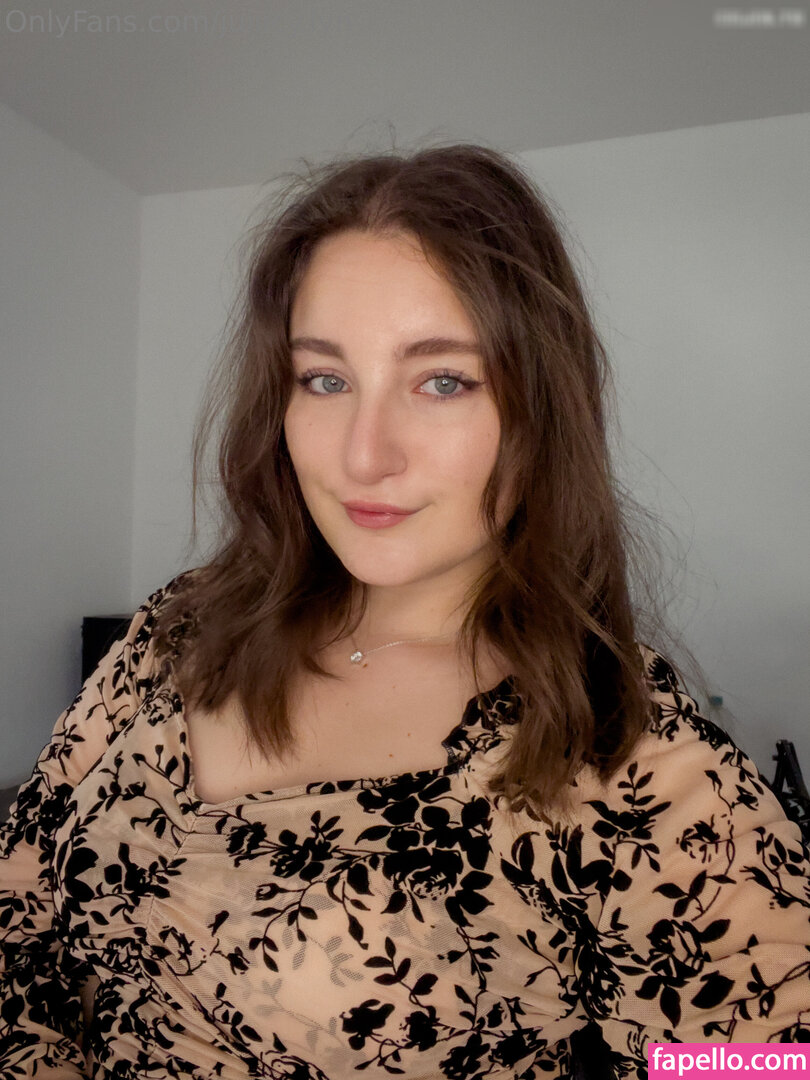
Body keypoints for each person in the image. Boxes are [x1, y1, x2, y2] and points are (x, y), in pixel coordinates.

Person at [1, 144, 808, 1079]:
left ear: (541, 411)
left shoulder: (625, 756)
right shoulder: (180, 630)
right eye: (325, 379)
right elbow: (20, 900)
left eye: (443, 381)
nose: (363, 455)